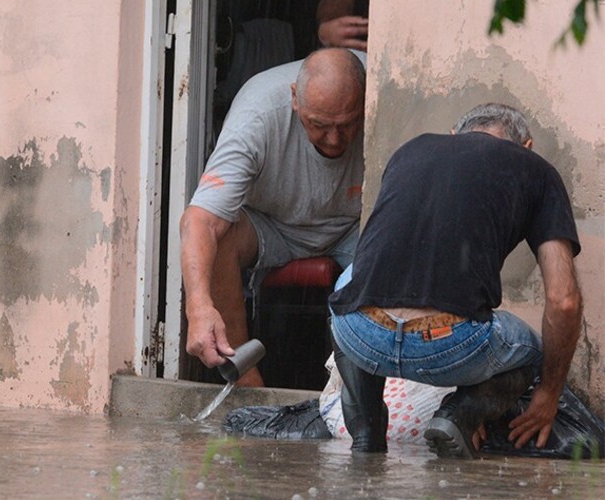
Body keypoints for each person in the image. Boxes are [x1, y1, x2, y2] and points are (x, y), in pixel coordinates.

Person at [328, 103, 583, 458]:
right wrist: (547, 395)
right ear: (525, 146)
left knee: (350, 284)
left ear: (453, 136)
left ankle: (367, 431)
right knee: (532, 350)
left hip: (360, 336)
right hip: (448, 346)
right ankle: (458, 416)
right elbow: (564, 300)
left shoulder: (411, 150)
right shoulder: (535, 169)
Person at [180, 48, 366, 387]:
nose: (334, 140)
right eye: (319, 125)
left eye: (347, 125)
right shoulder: (259, 112)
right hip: (273, 223)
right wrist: (198, 306)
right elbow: (200, 220)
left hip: (357, 225)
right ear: (295, 99)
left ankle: (367, 390)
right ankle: (243, 379)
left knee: (400, 249)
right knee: (221, 236)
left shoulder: (389, 92)